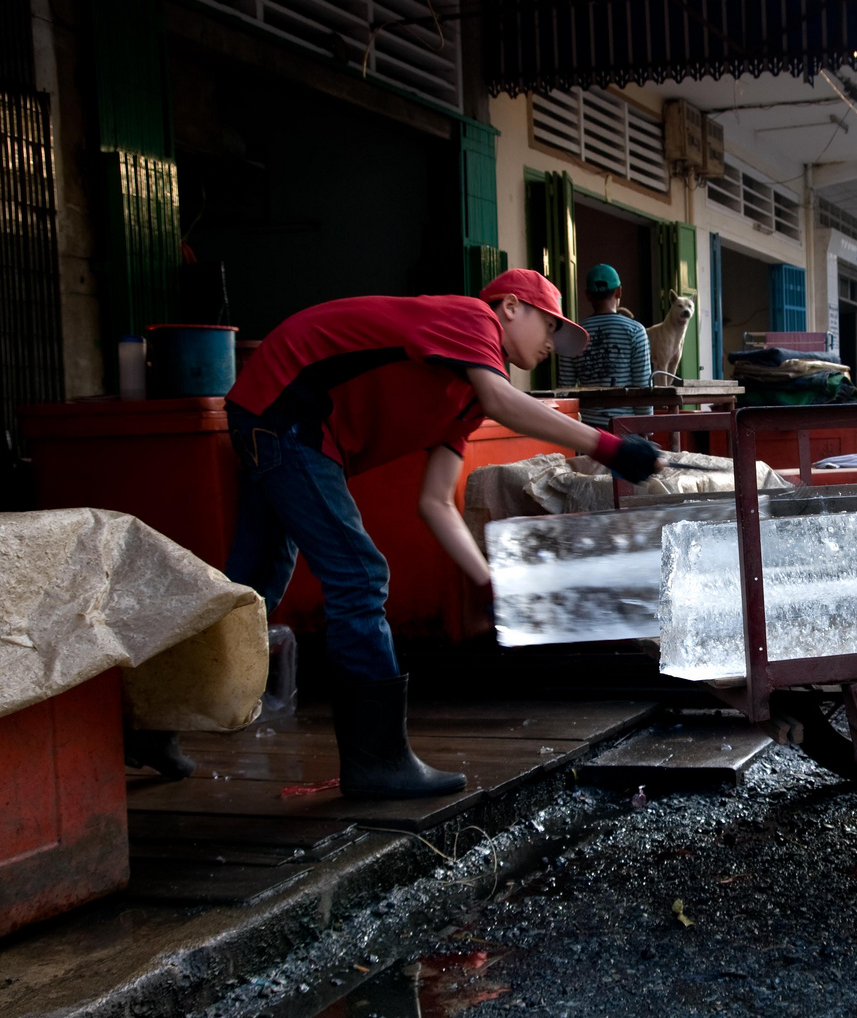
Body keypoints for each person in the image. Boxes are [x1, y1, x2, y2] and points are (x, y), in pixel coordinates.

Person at [168, 269, 662, 799]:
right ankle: (377, 761)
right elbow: (503, 402)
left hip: (281, 418)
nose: (550, 343)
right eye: (548, 325)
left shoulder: (466, 400)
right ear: (510, 306)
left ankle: (153, 722)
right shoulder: (473, 318)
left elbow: (434, 503)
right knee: (358, 576)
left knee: (253, 587)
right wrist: (607, 447)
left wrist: (489, 583)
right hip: (288, 409)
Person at [557, 264, 652, 429]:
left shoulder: (573, 335)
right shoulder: (636, 331)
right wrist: (645, 430)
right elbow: (643, 387)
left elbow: (565, 391)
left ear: (587, 295)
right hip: (625, 428)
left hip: (586, 429)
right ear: (619, 291)